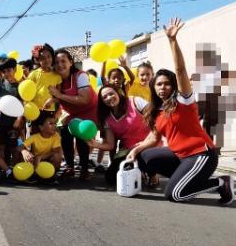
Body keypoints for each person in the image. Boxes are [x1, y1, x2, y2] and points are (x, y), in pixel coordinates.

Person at [126, 18, 233, 204]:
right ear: (154, 88)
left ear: (173, 86)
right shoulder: (156, 110)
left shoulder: (183, 101)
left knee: (175, 195)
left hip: (201, 154)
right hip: (179, 156)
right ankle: (184, 178)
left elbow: (180, 69)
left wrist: (172, 40)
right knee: (144, 156)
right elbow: (154, 138)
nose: (162, 87)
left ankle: (220, 183)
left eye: (167, 84)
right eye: (159, 84)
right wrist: (136, 150)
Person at [87, 85, 154, 187]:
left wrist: (149, 141)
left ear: (118, 93)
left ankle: (152, 174)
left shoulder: (135, 101)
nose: (109, 97)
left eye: (111, 94)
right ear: (102, 101)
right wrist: (94, 144)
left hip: (148, 144)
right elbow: (110, 145)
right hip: (127, 149)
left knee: (146, 160)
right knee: (110, 178)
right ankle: (138, 172)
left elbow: (157, 119)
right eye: (104, 97)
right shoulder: (106, 118)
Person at [48, 49, 98, 180]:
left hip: (91, 110)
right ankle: (70, 166)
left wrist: (59, 95)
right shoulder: (55, 80)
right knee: (65, 132)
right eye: (56, 62)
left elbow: (85, 99)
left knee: (81, 132)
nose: (60, 64)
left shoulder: (80, 76)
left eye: (63, 61)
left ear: (71, 62)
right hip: (74, 113)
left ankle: (84, 168)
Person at [22, 114, 63, 181]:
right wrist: (24, 151)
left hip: (48, 160)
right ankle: (33, 174)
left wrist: (41, 157)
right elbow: (20, 147)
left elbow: (56, 151)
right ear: (41, 127)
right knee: (25, 155)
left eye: (55, 123)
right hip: (35, 161)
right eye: (51, 123)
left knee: (57, 156)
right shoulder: (34, 137)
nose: (54, 125)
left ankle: (51, 175)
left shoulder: (56, 135)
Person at [28, 44, 62, 114]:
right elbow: (27, 93)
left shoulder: (57, 76)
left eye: (49, 56)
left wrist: (52, 100)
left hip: (50, 111)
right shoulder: (33, 74)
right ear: (37, 60)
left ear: (52, 57)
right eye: (42, 58)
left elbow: (59, 96)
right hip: (35, 110)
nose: (46, 60)